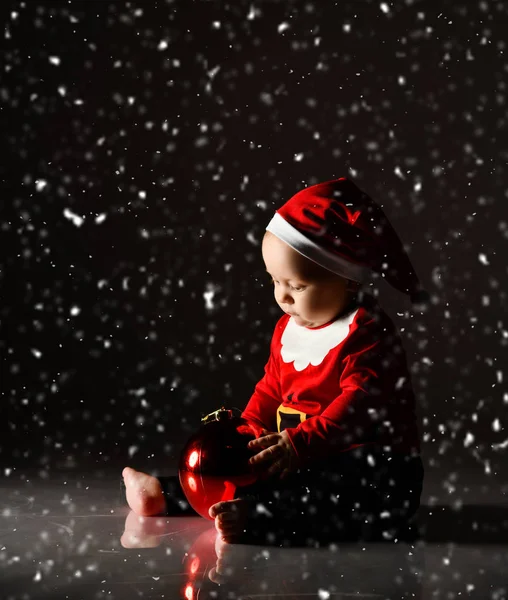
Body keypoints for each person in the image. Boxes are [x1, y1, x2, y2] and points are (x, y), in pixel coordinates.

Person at [122, 177, 428, 545]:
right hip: (302, 451)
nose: (283, 296)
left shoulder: (367, 335)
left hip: (372, 465)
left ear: (347, 281)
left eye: (297, 286)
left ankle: (263, 519)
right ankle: (166, 493)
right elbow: (271, 386)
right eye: (274, 281)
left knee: (333, 490)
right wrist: (248, 428)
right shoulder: (288, 329)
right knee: (253, 464)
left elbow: (357, 409)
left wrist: (298, 444)